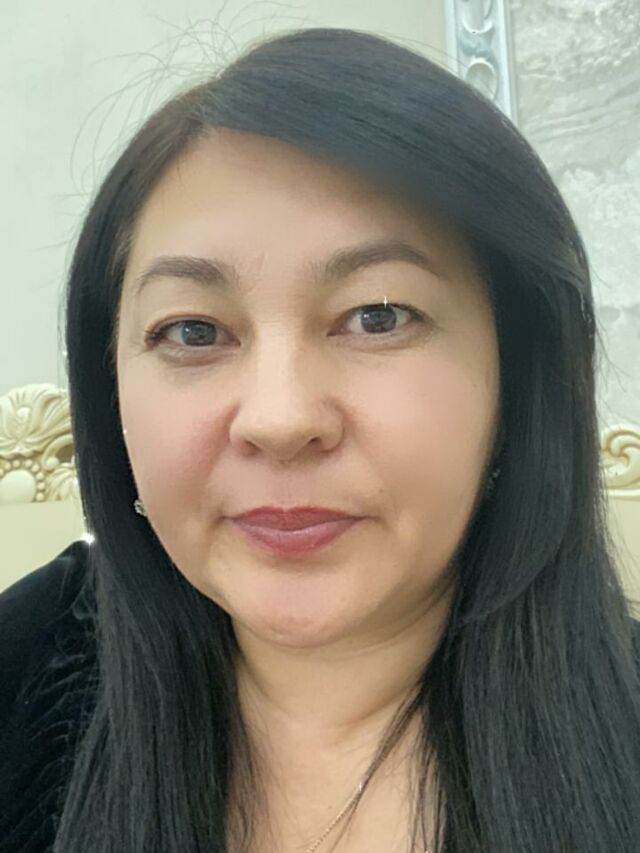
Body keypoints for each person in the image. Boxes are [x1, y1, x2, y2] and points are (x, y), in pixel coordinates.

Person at [1, 26, 639, 853]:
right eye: (193, 331)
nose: (280, 419)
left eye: (377, 316)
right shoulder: (27, 669)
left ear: (516, 375)